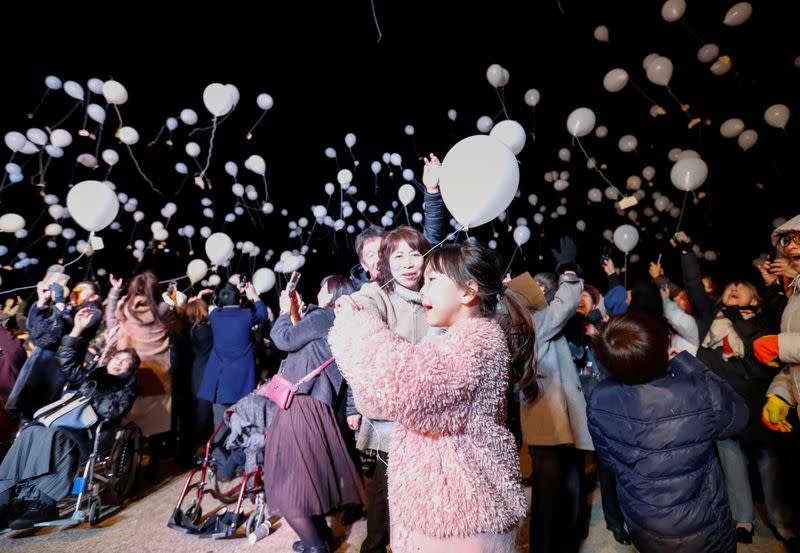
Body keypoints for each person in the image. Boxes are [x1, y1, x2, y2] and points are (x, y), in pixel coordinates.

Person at [329, 240, 529, 553]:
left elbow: (400, 379)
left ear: (467, 292)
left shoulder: (474, 345)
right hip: (449, 511)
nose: (423, 290)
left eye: (432, 280)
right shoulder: (465, 338)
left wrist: (356, 323)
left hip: (461, 520)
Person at [587, 312, 748, 553]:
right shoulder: (696, 391)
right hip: (703, 521)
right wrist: (689, 365)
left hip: (643, 520)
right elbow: (738, 417)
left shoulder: (599, 398)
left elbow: (608, 457)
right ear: (661, 350)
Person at [0, 308, 139, 530]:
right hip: (63, 423)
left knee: (55, 434)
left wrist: (99, 392)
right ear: (110, 358)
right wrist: (77, 329)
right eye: (118, 359)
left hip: (89, 433)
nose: (119, 365)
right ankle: (3, 498)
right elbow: (66, 362)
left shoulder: (126, 388)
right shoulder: (94, 375)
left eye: (126, 365)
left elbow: (114, 413)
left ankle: (45, 501)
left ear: (130, 371)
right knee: (30, 431)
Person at [343, 225, 436, 553]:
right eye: (399, 256)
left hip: (429, 417)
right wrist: (350, 307)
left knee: (425, 495)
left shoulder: (433, 293)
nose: (409, 263)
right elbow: (361, 307)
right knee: (384, 493)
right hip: (392, 422)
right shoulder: (377, 294)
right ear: (385, 261)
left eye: (415, 254)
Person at [264, 275, 364, 553]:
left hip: (300, 406)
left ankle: (315, 546)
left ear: (331, 293)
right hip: (318, 407)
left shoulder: (323, 317)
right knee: (307, 479)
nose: (318, 291)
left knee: (286, 486)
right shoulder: (341, 322)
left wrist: (284, 310)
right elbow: (306, 345)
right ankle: (321, 539)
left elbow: (284, 339)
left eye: (321, 287)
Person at [349, 154, 446, 291]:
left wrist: (432, 191)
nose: (379, 259)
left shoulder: (412, 280)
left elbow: (431, 240)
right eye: (370, 255)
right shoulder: (358, 297)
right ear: (363, 265)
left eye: (382, 252)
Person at [198, 282, 268, 427]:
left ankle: (218, 448)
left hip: (220, 381)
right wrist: (254, 295)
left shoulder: (215, 315)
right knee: (243, 426)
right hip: (242, 381)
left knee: (220, 427)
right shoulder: (246, 315)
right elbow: (263, 314)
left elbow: (213, 304)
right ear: (240, 301)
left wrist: (228, 292)